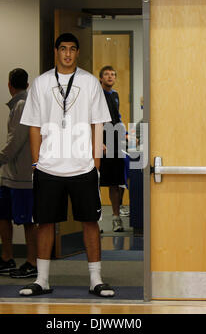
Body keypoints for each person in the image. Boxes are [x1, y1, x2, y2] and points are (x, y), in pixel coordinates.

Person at [19, 33, 115, 297]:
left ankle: (96, 279)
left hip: (83, 166)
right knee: (45, 223)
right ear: (56, 52)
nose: (68, 54)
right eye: (63, 49)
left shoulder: (90, 82)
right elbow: (34, 126)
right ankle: (42, 279)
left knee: (90, 222)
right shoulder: (41, 83)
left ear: (77, 53)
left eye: (73, 49)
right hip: (49, 167)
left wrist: (95, 164)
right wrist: (37, 161)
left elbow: (98, 124)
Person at [0, 68, 38, 279]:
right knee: (2, 215)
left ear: (9, 85)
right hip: (9, 176)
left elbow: (15, 141)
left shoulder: (23, 105)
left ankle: (32, 262)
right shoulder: (20, 104)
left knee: (29, 221)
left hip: (22, 177)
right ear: (27, 85)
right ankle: (6, 258)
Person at [99, 66, 126, 232]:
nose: (110, 77)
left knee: (116, 183)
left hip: (115, 142)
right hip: (100, 144)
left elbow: (117, 117)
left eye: (113, 75)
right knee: (95, 182)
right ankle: (95, 221)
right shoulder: (96, 95)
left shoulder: (115, 95)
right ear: (100, 78)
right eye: (107, 74)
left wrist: (125, 134)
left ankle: (116, 218)